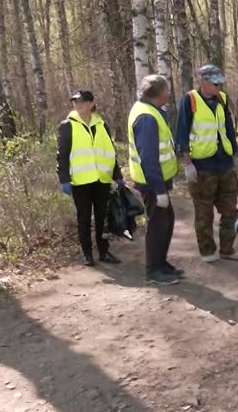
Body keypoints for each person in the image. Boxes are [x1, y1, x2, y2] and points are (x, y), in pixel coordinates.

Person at [175, 64, 238, 263]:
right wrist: (187, 163)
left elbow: (228, 128)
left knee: (231, 208)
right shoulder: (189, 100)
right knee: (204, 211)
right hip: (202, 165)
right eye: (215, 84)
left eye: (220, 84)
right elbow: (182, 132)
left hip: (224, 163)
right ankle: (207, 251)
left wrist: (236, 154)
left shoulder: (221, 99)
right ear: (203, 81)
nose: (219, 88)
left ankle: (227, 249)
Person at [56, 90, 124, 266]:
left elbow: (110, 152)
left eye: (82, 102)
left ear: (92, 103)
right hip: (80, 181)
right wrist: (64, 179)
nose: (78, 105)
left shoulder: (102, 125)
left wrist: (118, 175)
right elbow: (62, 155)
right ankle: (86, 253)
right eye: (75, 102)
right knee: (84, 218)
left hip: (102, 179)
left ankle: (104, 251)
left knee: (102, 217)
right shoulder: (67, 125)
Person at [128, 74, 183, 286]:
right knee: (158, 225)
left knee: (166, 221)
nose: (168, 94)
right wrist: (159, 190)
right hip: (151, 183)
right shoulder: (146, 117)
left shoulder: (151, 110)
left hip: (156, 181)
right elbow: (148, 157)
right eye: (166, 91)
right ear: (158, 94)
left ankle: (161, 263)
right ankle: (153, 270)